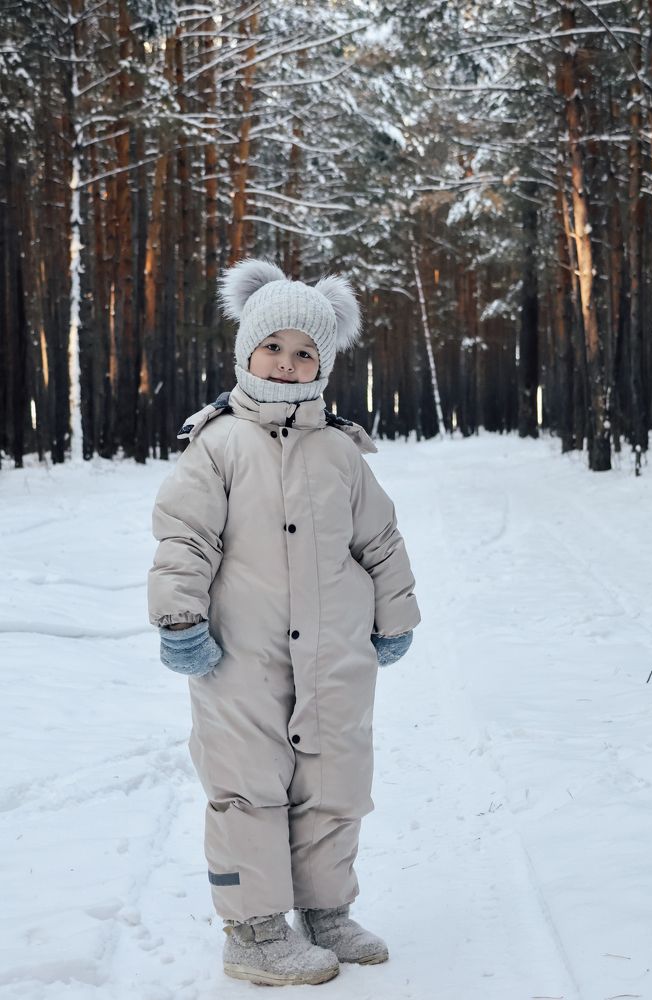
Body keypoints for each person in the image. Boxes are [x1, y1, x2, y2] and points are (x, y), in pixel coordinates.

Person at [147, 258, 421, 987]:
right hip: (241, 655)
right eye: (274, 346)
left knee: (335, 782)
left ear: (323, 364)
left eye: (305, 352)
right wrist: (179, 616)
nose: (287, 362)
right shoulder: (219, 443)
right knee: (247, 784)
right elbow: (185, 535)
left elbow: (380, 541)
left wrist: (394, 615)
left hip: (334, 656)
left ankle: (326, 911)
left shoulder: (340, 451)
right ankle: (255, 930)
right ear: (247, 349)